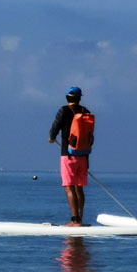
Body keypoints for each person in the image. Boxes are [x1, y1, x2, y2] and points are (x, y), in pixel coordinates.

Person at [49, 86, 91, 227]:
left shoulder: (64, 110)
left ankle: (75, 221)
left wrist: (51, 137)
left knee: (69, 187)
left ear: (67, 98)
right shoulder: (86, 112)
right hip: (83, 155)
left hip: (68, 155)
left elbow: (56, 126)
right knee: (79, 188)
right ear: (79, 98)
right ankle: (81, 219)